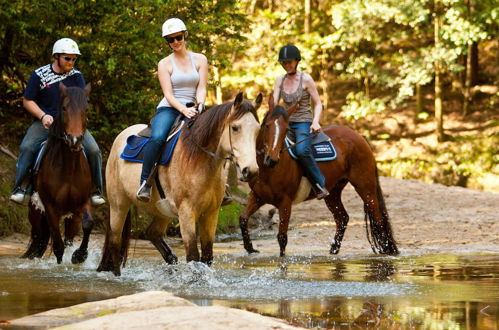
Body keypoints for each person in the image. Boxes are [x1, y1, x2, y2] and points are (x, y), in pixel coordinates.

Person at [10, 38, 105, 206]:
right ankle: (21, 188)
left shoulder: (76, 76)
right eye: (67, 58)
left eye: (74, 58)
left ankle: (96, 190)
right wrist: (42, 116)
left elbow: (81, 101)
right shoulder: (39, 74)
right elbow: (27, 100)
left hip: (70, 124)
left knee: (94, 150)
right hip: (45, 123)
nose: (71, 62)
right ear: (57, 57)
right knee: (27, 146)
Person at [136, 18, 208, 202]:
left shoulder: (200, 59)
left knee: (216, 134)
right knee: (158, 137)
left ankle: (222, 186)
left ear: (185, 35)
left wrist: (200, 104)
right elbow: (168, 94)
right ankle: (145, 182)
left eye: (178, 37)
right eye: (170, 39)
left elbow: (201, 87)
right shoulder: (164, 64)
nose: (175, 42)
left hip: (194, 106)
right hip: (170, 108)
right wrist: (184, 110)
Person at [272, 44, 329, 200]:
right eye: (284, 63)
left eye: (290, 62)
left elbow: (318, 103)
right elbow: (275, 105)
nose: (287, 65)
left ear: (297, 61)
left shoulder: (306, 79)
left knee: (301, 150)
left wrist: (315, 122)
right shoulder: (279, 80)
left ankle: (319, 184)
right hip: (285, 123)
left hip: (303, 122)